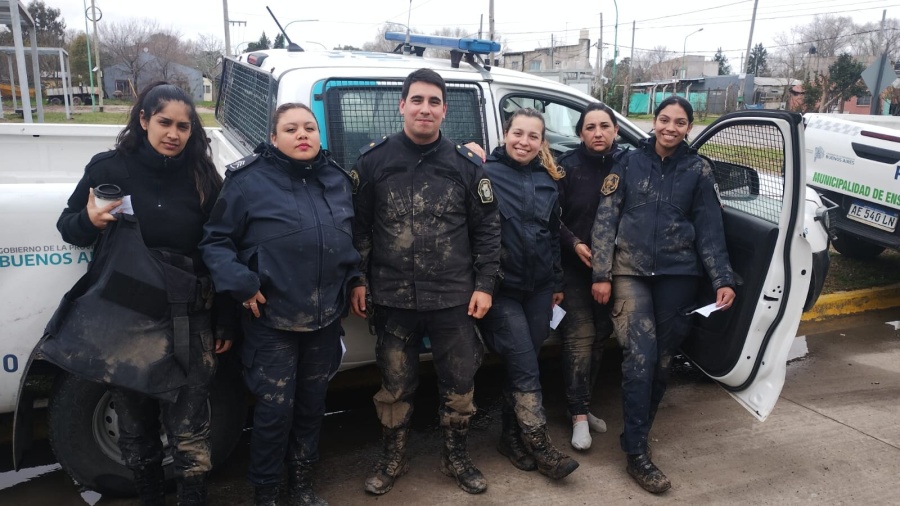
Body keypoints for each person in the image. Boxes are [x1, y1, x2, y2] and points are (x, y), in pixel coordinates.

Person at [55, 82, 232, 505]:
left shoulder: (204, 177)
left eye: (184, 127)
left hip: (189, 320)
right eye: (164, 122)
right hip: (126, 322)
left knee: (190, 431)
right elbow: (68, 227)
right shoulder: (109, 169)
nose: (173, 134)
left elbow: (222, 250)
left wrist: (226, 320)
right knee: (136, 429)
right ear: (143, 120)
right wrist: (90, 221)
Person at [349, 68, 501, 495]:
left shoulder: (466, 165)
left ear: (444, 111)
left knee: (459, 384)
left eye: (434, 102)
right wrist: (357, 280)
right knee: (395, 386)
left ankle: (456, 457)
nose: (425, 109)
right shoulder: (373, 162)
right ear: (402, 105)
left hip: (453, 299)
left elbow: (488, 229)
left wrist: (485, 285)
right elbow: (358, 229)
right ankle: (393, 457)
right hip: (393, 298)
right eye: (417, 100)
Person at [200, 103, 360, 506]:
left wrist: (355, 279)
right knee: (274, 413)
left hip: (325, 319)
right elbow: (216, 242)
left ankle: (302, 485)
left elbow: (349, 241)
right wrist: (241, 284)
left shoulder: (337, 180)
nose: (302, 134)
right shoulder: (247, 182)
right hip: (271, 320)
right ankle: (267, 492)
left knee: (311, 407)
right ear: (273, 138)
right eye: (291, 129)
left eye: (309, 127)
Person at [591, 95, 736, 494]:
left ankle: (636, 435)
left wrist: (722, 278)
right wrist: (601, 273)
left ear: (689, 128)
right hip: (630, 272)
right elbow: (606, 218)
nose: (671, 127)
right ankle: (637, 454)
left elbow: (710, 229)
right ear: (654, 122)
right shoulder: (628, 163)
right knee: (640, 358)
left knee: (662, 362)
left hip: (678, 274)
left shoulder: (698, 170)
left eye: (680, 122)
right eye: (665, 119)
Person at [478, 108, 579, 479]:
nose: (524, 142)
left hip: (539, 290)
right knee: (524, 365)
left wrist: (556, 283)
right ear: (506, 134)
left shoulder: (546, 179)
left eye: (533, 136)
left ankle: (511, 437)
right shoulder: (484, 174)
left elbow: (551, 235)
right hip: (502, 290)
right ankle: (541, 447)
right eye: (517, 133)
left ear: (542, 142)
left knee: (525, 364)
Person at [555, 103, 620, 450]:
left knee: (599, 338)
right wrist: (574, 243)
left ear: (616, 131)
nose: (598, 133)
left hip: (612, 270)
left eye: (604, 126)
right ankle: (579, 417)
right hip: (572, 268)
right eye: (590, 127)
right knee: (580, 337)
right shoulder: (566, 168)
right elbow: (550, 216)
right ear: (580, 133)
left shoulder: (627, 164)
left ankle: (580, 404)